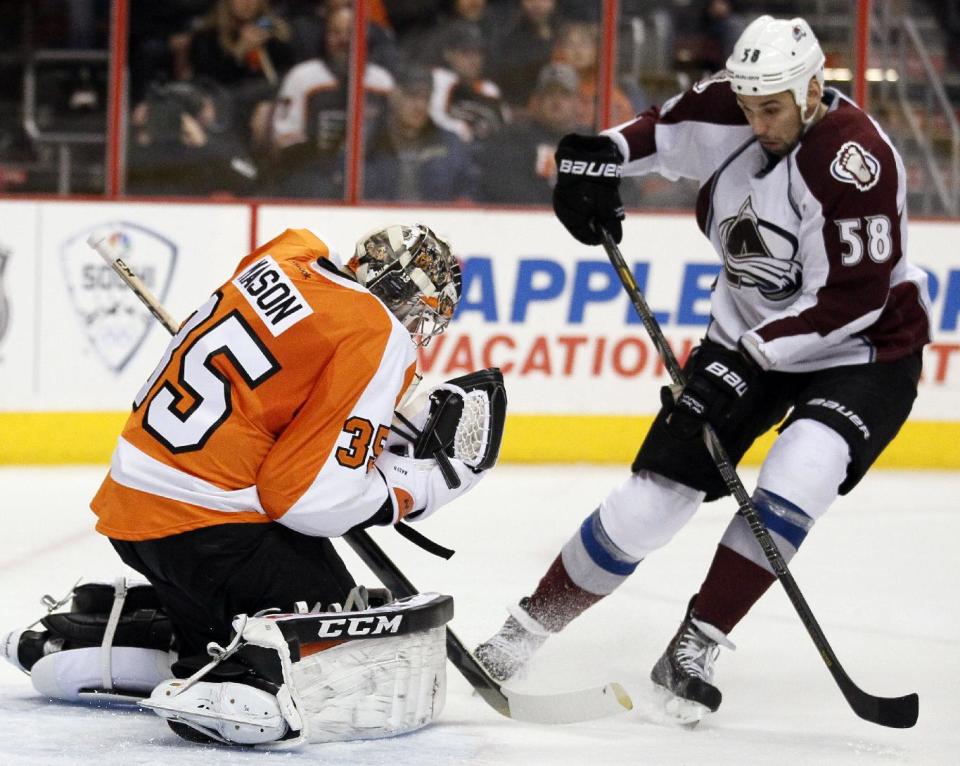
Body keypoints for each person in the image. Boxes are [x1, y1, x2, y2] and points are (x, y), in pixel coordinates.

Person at [474, 15, 931, 723]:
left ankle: (696, 640)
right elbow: (657, 134)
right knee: (655, 495)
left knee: (801, 468)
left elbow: (851, 300)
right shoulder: (736, 103)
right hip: (746, 333)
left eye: (771, 108)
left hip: (865, 349)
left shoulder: (856, 164)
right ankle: (522, 632)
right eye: (748, 107)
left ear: (813, 89)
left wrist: (743, 361)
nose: (757, 121)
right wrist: (596, 160)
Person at [84, 224, 481, 744]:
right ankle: (237, 679)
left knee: (231, 618)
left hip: (133, 511)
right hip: (208, 529)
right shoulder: (376, 331)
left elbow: (279, 381)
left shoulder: (288, 252)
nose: (415, 328)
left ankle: (139, 640)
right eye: (419, 313)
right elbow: (303, 499)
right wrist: (404, 492)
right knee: (350, 652)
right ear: (401, 294)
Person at [266, 3, 394, 196]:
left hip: (368, 177)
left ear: (364, 37)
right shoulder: (303, 78)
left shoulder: (381, 82)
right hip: (312, 175)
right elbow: (284, 140)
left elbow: (390, 141)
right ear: (325, 37)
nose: (343, 40)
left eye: (350, 33)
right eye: (335, 32)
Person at [364, 66, 477, 201]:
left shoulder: (451, 145)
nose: (420, 105)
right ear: (394, 95)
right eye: (412, 96)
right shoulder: (367, 142)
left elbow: (468, 193)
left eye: (426, 98)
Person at [476, 62, 583, 204]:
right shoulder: (511, 138)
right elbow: (505, 187)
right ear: (537, 100)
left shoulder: (592, 142)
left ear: (577, 102)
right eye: (549, 93)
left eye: (564, 94)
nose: (556, 101)